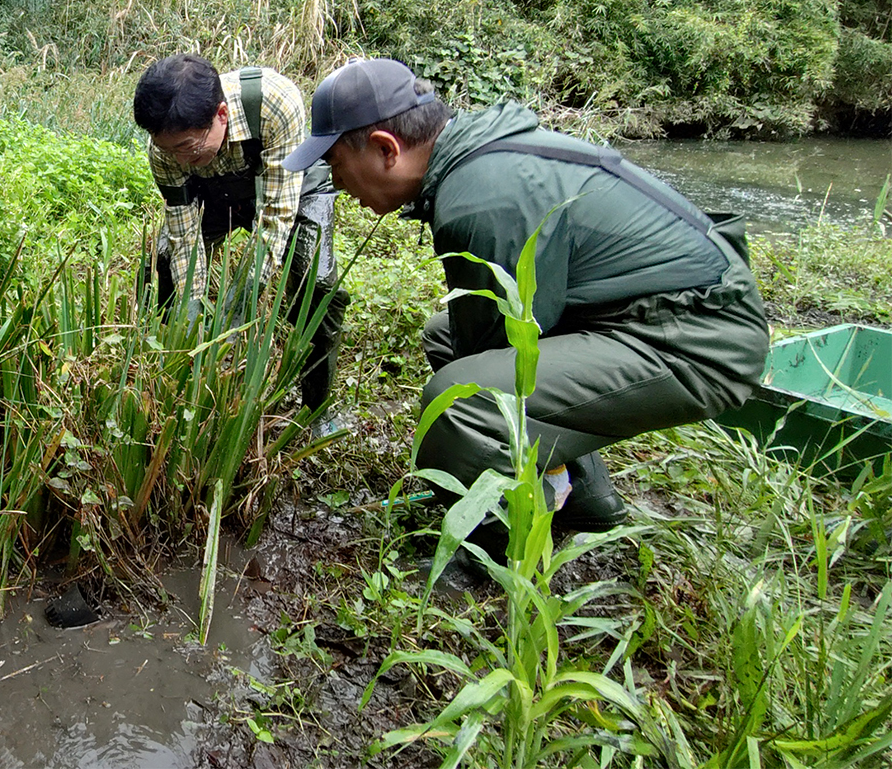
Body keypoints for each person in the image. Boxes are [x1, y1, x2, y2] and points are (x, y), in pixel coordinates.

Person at [285, 57, 769, 579]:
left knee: (463, 404)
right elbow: (492, 338)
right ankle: (586, 499)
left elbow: (505, 376)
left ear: (386, 148)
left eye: (335, 163)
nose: (335, 183)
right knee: (445, 336)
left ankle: (498, 551)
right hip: (651, 311)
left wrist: (460, 452)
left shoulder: (479, 201)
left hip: (694, 337)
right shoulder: (475, 159)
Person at [132, 54, 352, 434]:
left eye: (187, 146)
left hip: (290, 187)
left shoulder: (274, 104)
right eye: (168, 150)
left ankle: (319, 410)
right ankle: (170, 378)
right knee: (163, 265)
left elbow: (275, 217)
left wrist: (237, 309)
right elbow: (185, 236)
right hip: (214, 193)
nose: (178, 159)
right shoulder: (166, 151)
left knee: (316, 282)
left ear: (221, 114)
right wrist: (192, 313)